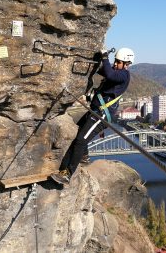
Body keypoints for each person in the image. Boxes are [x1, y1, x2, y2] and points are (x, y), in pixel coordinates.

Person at [50, 47, 135, 184]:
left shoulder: (124, 75)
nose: (115, 64)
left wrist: (105, 57)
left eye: (118, 62)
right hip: (96, 111)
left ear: (126, 63)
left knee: (81, 140)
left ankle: (67, 174)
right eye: (115, 61)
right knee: (78, 131)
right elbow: (104, 70)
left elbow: (110, 74)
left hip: (101, 114)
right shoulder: (116, 71)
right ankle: (83, 156)